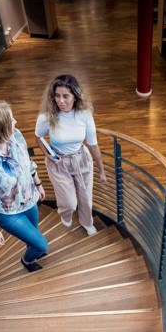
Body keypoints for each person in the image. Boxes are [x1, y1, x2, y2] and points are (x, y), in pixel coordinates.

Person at [0, 101, 48, 273]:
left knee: (34, 236)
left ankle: (34, 249)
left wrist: (38, 183)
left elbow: (28, 163)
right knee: (42, 244)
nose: (15, 122)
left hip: (29, 199)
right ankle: (28, 260)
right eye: (11, 120)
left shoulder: (16, 136)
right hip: (8, 212)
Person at [35, 75, 106, 236]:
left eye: (65, 96)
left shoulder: (84, 115)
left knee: (85, 198)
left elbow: (93, 144)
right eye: (57, 96)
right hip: (59, 163)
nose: (61, 101)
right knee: (68, 202)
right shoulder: (46, 116)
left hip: (81, 159)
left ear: (75, 96)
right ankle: (65, 214)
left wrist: (101, 170)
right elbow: (38, 136)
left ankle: (87, 223)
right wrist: (47, 154)